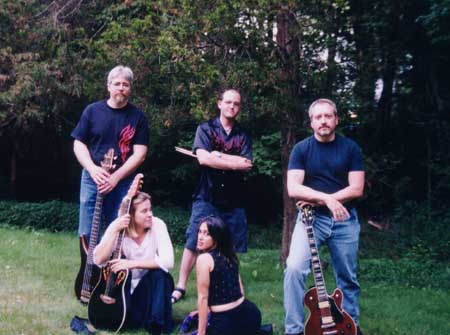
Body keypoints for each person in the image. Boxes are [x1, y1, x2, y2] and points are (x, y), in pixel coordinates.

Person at [284, 98, 365, 335]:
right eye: (318, 117)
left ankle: (351, 327)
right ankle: (294, 330)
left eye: (328, 116)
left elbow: (357, 188)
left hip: (344, 220)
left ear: (336, 119)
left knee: (347, 277)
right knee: (294, 268)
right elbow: (294, 189)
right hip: (311, 220)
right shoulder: (301, 149)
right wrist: (327, 199)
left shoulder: (351, 148)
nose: (323, 121)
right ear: (311, 122)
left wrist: (328, 200)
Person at [171, 88, 253, 303]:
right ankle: (180, 286)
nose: (232, 106)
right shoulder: (205, 129)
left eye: (236, 103)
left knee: (231, 245)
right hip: (206, 196)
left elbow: (246, 164)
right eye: (228, 102)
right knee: (192, 241)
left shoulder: (243, 134)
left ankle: (232, 288)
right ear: (219, 103)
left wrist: (219, 155)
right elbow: (204, 160)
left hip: (235, 199)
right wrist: (231, 161)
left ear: (239, 107)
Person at [71, 65, 149, 242]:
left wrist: (116, 177)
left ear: (130, 88)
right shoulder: (92, 111)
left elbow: (140, 154)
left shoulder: (138, 117)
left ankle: (113, 269)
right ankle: (89, 268)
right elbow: (78, 143)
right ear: (109, 86)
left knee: (119, 227)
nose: (121, 87)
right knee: (87, 229)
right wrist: (92, 169)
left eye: (125, 84)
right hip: (93, 178)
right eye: (117, 84)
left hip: (123, 181)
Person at [93, 192, 175, 335]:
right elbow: (98, 260)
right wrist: (114, 230)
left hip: (149, 287)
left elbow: (168, 261)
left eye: (150, 209)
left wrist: (131, 264)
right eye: (144, 211)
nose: (150, 214)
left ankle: (157, 326)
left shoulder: (158, 225)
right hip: (124, 292)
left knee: (161, 274)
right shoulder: (118, 226)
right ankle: (145, 317)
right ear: (130, 214)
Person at [195, 215, 261, 335]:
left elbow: (203, 298)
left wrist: (201, 333)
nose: (200, 237)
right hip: (251, 315)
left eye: (206, 234)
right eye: (200, 232)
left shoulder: (204, 259)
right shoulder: (229, 254)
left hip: (225, 324)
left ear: (216, 237)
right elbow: (240, 289)